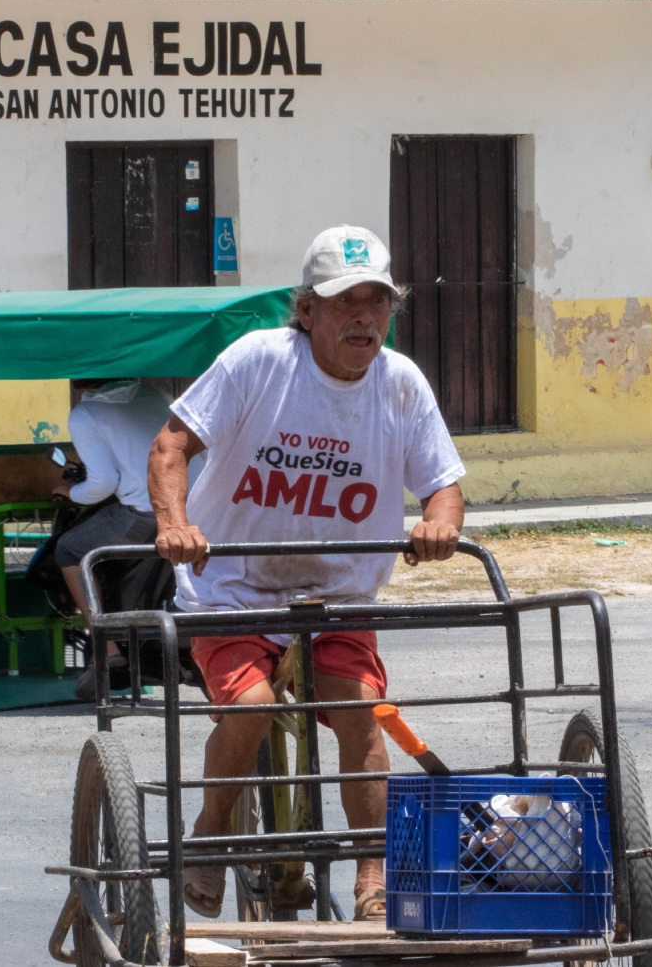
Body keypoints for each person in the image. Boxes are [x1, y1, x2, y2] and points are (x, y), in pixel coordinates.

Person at [147, 225, 466, 921]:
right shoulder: (260, 362)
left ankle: (373, 876)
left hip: (340, 593)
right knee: (253, 705)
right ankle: (209, 833)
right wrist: (175, 525)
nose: (364, 317)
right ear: (307, 312)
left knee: (362, 712)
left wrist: (440, 524)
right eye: (344, 301)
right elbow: (171, 444)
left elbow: (443, 483)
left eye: (376, 302)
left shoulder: (400, 384)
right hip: (233, 587)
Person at [52, 378, 176, 701]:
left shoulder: (85, 414)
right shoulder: (156, 394)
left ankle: (104, 646)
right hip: (187, 506)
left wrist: (70, 492)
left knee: (69, 549)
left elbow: (104, 483)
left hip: (146, 510)